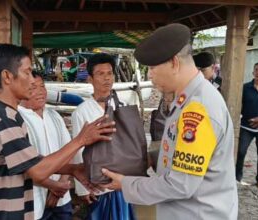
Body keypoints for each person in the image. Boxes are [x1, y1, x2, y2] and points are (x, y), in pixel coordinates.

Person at [101, 23, 238, 220]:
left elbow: (180, 184)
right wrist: (152, 157)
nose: (149, 74)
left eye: (153, 67)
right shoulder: (188, 99)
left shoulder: (198, 109)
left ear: (174, 63)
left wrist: (126, 183)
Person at [0, 44, 115, 220]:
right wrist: (80, 140)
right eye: (27, 72)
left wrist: (73, 169)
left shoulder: (8, 114)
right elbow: (38, 171)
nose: (32, 81)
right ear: (7, 76)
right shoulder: (2, 119)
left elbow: (28, 164)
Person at [71, 53, 135, 220]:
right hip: (97, 184)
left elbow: (130, 143)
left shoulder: (123, 107)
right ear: (90, 79)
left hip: (121, 181)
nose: (107, 78)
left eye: (110, 73)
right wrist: (83, 189)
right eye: (100, 74)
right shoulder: (82, 112)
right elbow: (78, 150)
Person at [18, 71, 73, 220]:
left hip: (62, 195)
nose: (41, 92)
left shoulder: (54, 116)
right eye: (33, 87)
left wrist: (61, 184)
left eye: (42, 86)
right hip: (33, 199)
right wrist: (52, 187)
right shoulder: (17, 119)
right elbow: (23, 166)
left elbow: (69, 152)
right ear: (21, 90)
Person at [236, 62, 258, 191]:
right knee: (240, 152)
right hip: (246, 128)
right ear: (253, 72)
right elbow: (238, 106)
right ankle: (237, 179)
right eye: (256, 70)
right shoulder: (245, 88)